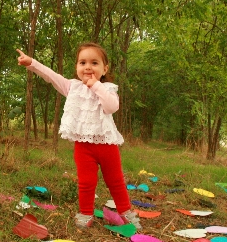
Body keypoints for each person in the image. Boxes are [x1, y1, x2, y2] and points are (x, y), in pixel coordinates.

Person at [16, 43, 141, 230]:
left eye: (94, 63)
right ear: (77, 67)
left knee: (115, 181)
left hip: (107, 145)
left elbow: (111, 107)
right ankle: (85, 213)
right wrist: (31, 62)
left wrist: (96, 86)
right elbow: (50, 76)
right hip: (83, 147)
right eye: (82, 62)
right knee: (86, 182)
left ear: (104, 69)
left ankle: (126, 212)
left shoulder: (107, 88)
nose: (88, 67)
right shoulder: (72, 87)